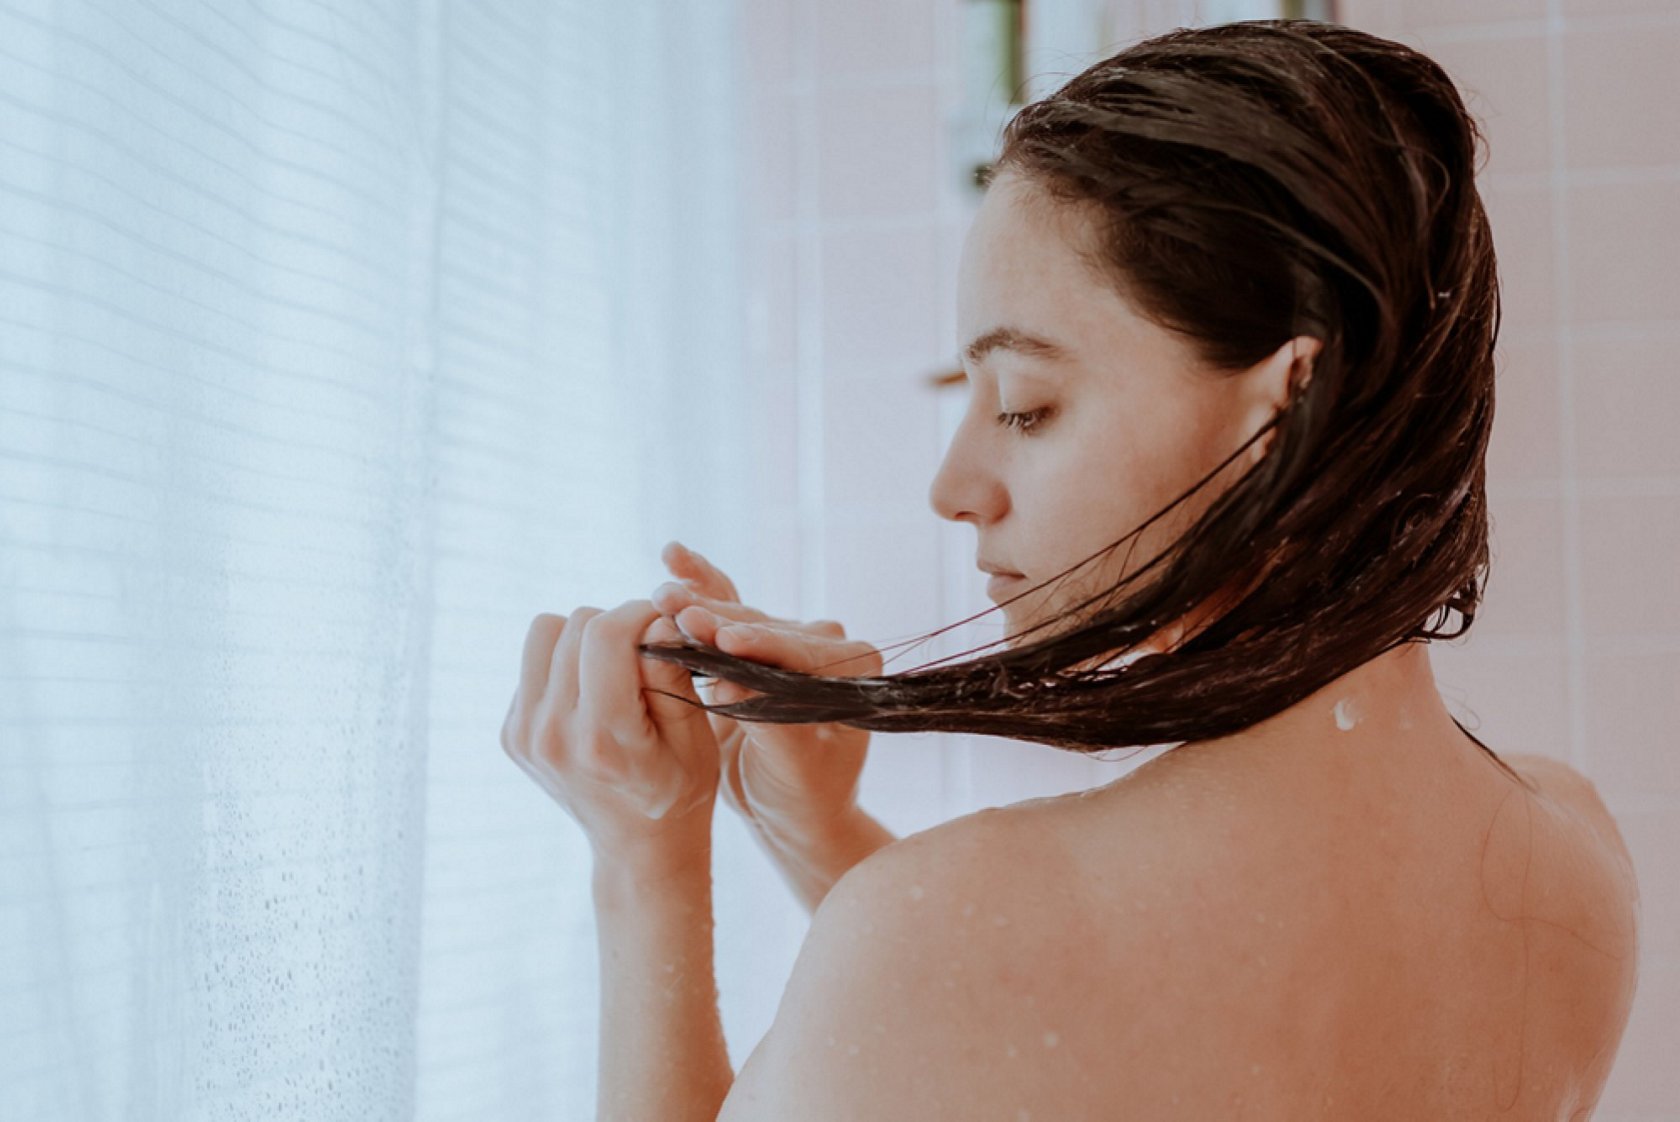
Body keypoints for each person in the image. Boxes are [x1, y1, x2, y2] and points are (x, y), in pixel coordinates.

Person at [514, 19, 1641, 1120]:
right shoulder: (1571, 856)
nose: (953, 487)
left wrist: (644, 859)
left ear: (1286, 406)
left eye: (1025, 407)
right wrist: (821, 834)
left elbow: (1018, 1004)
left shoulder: (946, 929)